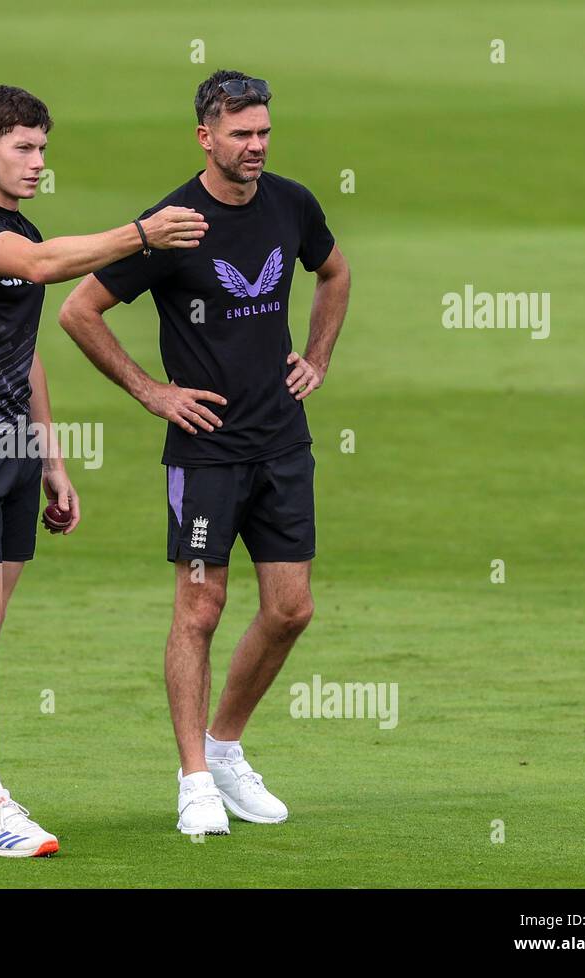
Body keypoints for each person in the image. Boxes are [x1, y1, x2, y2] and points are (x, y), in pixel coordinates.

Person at [0, 83, 209, 856]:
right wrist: (141, 233)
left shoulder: (21, 227)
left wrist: (52, 460)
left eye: (44, 148)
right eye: (24, 148)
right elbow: (42, 266)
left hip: (9, 447)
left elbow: (26, 352)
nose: (39, 162)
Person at [57, 70, 351, 835]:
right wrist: (152, 391)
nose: (255, 146)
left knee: (291, 609)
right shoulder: (171, 224)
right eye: (240, 134)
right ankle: (193, 781)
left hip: (283, 444)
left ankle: (225, 749)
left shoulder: (292, 203)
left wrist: (316, 355)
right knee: (201, 607)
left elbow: (334, 271)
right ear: (205, 138)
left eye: (263, 133)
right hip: (206, 455)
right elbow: (78, 310)